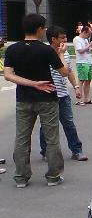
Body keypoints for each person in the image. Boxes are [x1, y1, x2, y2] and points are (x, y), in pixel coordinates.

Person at [3, 13, 70, 187]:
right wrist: (61, 53)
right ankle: (53, 176)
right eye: (44, 28)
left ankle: (21, 177)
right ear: (40, 29)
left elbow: (8, 76)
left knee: (22, 138)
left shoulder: (12, 49)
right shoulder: (46, 49)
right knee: (52, 139)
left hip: (23, 99)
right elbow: (64, 72)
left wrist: (31, 84)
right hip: (47, 99)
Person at [40, 26, 87, 162]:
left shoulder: (65, 53)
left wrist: (76, 87)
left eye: (65, 37)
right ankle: (45, 151)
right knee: (46, 126)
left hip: (63, 95)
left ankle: (76, 150)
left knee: (69, 123)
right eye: (62, 38)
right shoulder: (45, 53)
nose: (65, 40)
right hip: (48, 95)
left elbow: (69, 71)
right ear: (53, 39)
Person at [73, 24, 92, 105]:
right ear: (84, 32)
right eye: (88, 34)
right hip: (82, 62)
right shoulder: (77, 39)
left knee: (88, 80)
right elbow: (80, 51)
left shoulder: (85, 40)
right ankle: (79, 99)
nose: (89, 36)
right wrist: (89, 45)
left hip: (88, 61)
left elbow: (88, 50)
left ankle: (87, 99)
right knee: (81, 80)